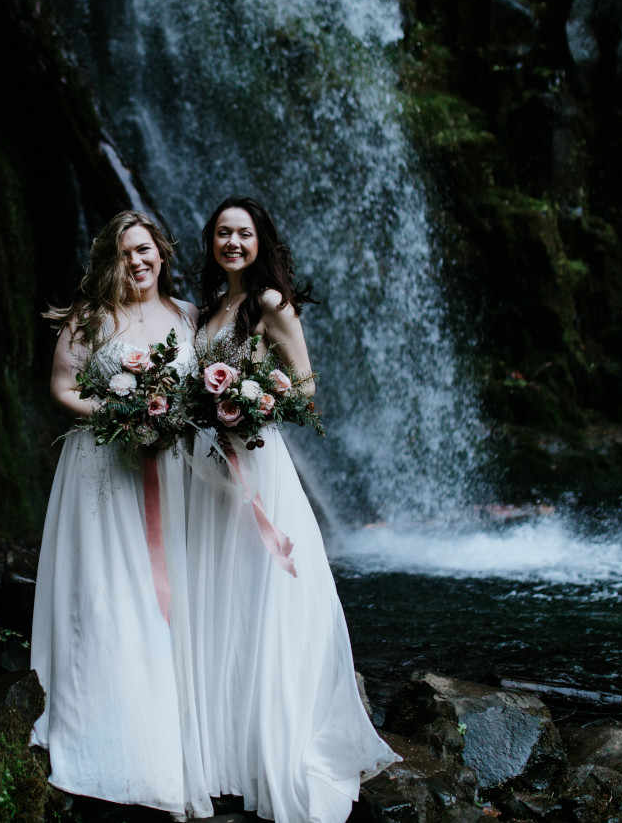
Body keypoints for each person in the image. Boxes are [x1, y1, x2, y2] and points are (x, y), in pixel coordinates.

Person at [187, 196, 399, 823]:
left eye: (242, 234)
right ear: (212, 243)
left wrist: (251, 404)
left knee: (262, 598)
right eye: (222, 233)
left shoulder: (269, 305)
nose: (232, 243)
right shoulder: (210, 309)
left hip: (257, 465)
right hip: (210, 472)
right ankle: (222, 750)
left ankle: (271, 746)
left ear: (260, 241)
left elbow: (303, 386)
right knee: (220, 599)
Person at [30, 210, 214, 820]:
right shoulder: (92, 318)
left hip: (171, 475)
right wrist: (118, 415)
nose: (138, 262)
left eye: (146, 250)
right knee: (108, 595)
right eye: (126, 254)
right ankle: (103, 729)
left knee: (168, 600)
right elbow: (62, 388)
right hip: (103, 472)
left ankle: (166, 728)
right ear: (112, 261)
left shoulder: (188, 316)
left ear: (162, 253)